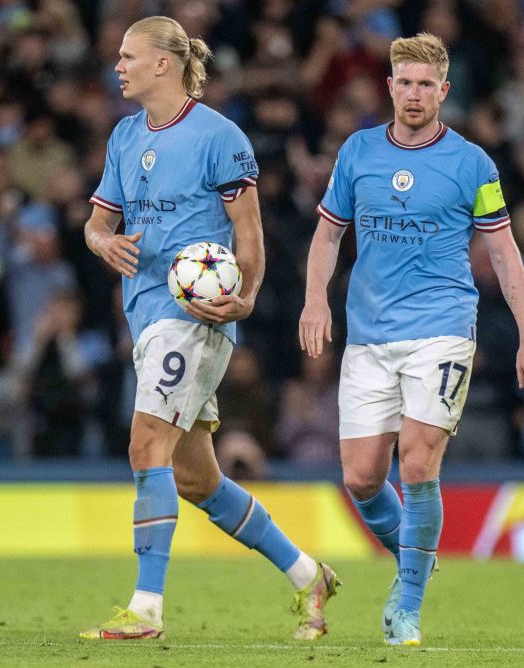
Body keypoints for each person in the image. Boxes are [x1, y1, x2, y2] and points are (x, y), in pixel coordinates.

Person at [80, 16, 337, 642]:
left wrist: (245, 297)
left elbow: (249, 234)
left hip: (194, 317)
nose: (118, 65)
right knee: (196, 478)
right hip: (143, 313)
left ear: (163, 64)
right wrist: (101, 243)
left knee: (146, 447)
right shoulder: (124, 136)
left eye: (128, 56)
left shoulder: (220, 136)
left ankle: (146, 608)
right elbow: (96, 223)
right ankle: (309, 575)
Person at [299, 33, 524, 646]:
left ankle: (406, 606)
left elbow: (504, 253)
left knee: (417, 460)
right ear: (389, 87)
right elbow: (329, 236)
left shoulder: (473, 165)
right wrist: (313, 300)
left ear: (444, 90)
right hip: (368, 335)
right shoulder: (357, 152)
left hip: (440, 329)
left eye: (425, 85)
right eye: (403, 83)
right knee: (360, 477)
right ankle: (416, 555)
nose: (414, 94)